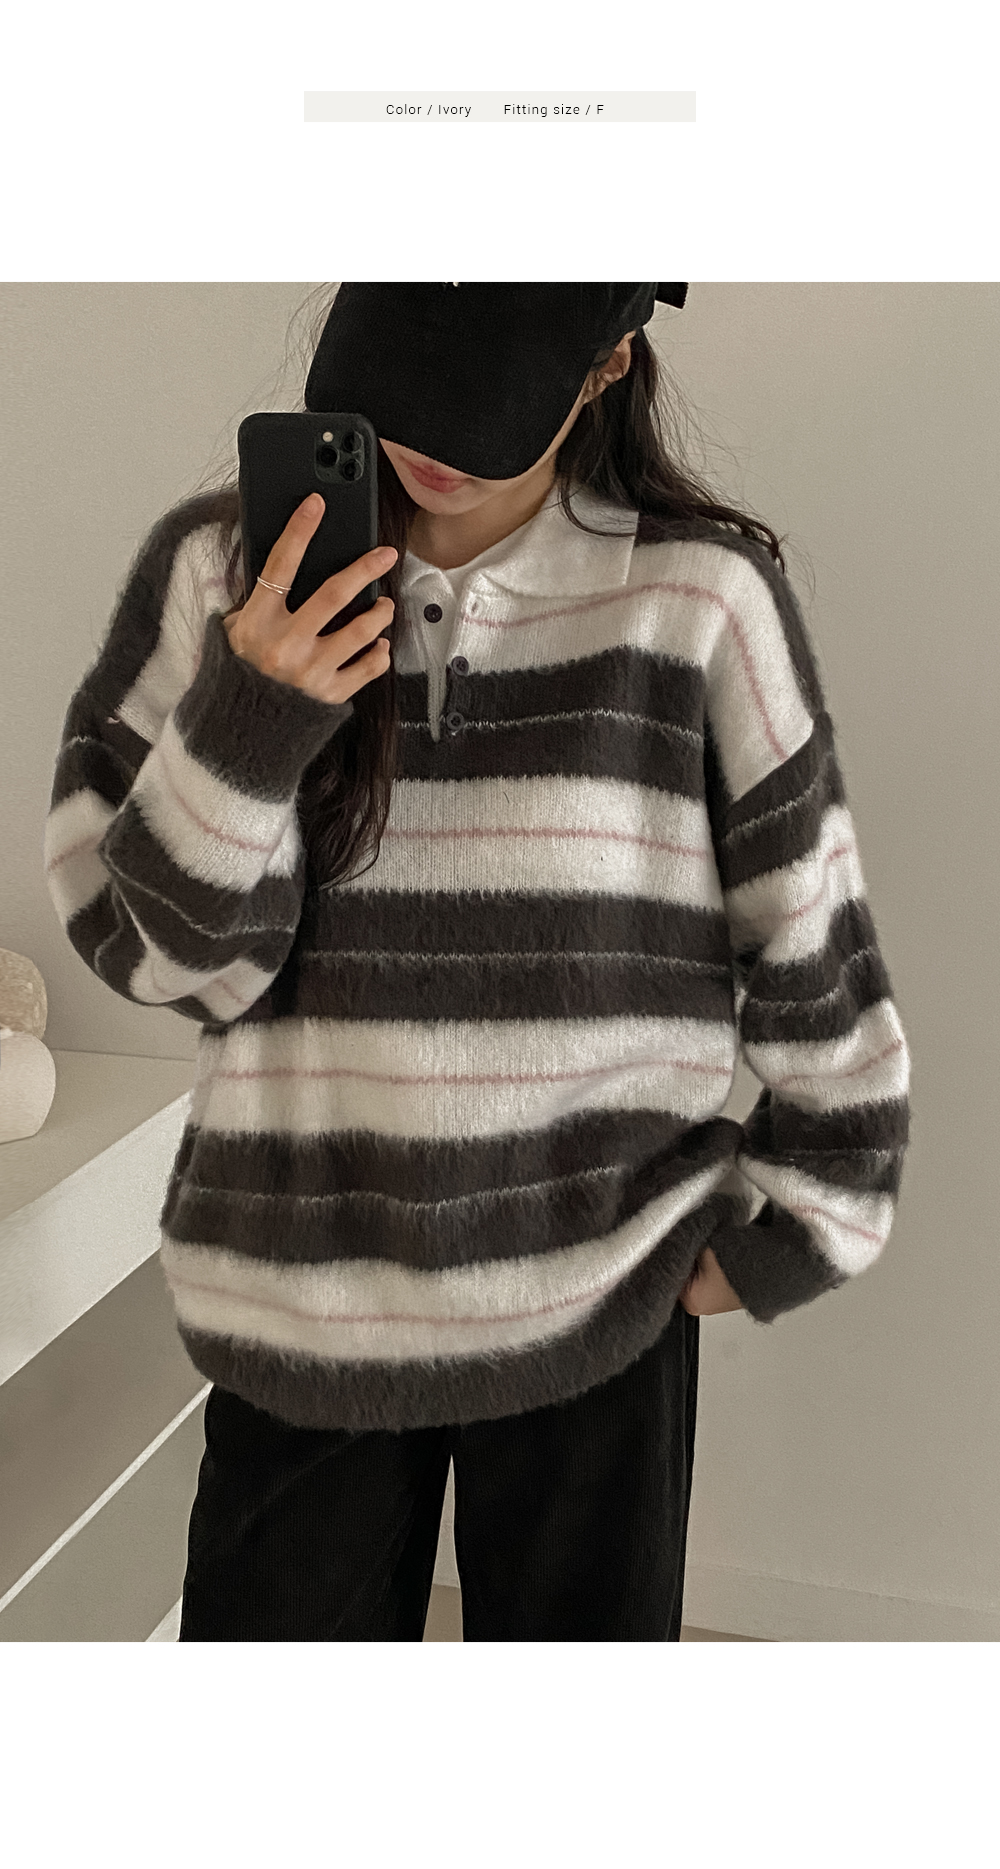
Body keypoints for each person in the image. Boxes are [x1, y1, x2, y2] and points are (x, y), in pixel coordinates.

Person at [44, 283, 911, 1642]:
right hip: (300, 1304)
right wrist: (252, 716)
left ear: (607, 360)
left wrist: (814, 1202)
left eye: (483, 402)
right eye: (401, 379)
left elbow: (805, 919)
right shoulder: (221, 576)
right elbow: (158, 959)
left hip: (597, 1306)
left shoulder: (699, 600)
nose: (428, 444)